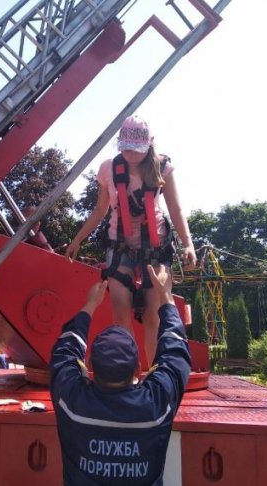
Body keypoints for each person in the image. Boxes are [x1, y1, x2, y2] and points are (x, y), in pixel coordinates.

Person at [65, 115, 196, 367]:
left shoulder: (163, 168)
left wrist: (187, 243)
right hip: (119, 244)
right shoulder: (108, 169)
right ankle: (128, 375)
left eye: (137, 151)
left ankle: (154, 376)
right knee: (120, 313)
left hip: (155, 247)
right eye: (125, 150)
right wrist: (77, 239)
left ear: (149, 145)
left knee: (153, 316)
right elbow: (100, 210)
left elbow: (176, 209)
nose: (131, 156)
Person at [50, 265, 191, 485]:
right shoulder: (155, 405)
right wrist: (165, 295)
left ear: (89, 366)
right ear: (138, 370)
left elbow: (65, 349)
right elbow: (175, 350)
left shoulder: (72, 402)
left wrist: (90, 305)